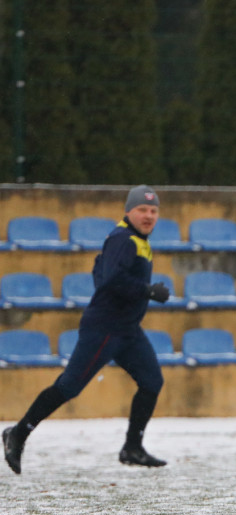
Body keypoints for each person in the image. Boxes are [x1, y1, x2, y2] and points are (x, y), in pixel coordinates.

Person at [3, 185, 171, 474]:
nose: (148, 215)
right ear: (128, 211)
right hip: (104, 329)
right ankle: (18, 433)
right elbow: (111, 278)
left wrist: (130, 295)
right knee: (69, 386)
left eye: (153, 211)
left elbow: (99, 268)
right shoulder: (124, 239)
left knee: (151, 382)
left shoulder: (135, 239)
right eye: (142, 210)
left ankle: (132, 447)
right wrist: (147, 290)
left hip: (128, 331)